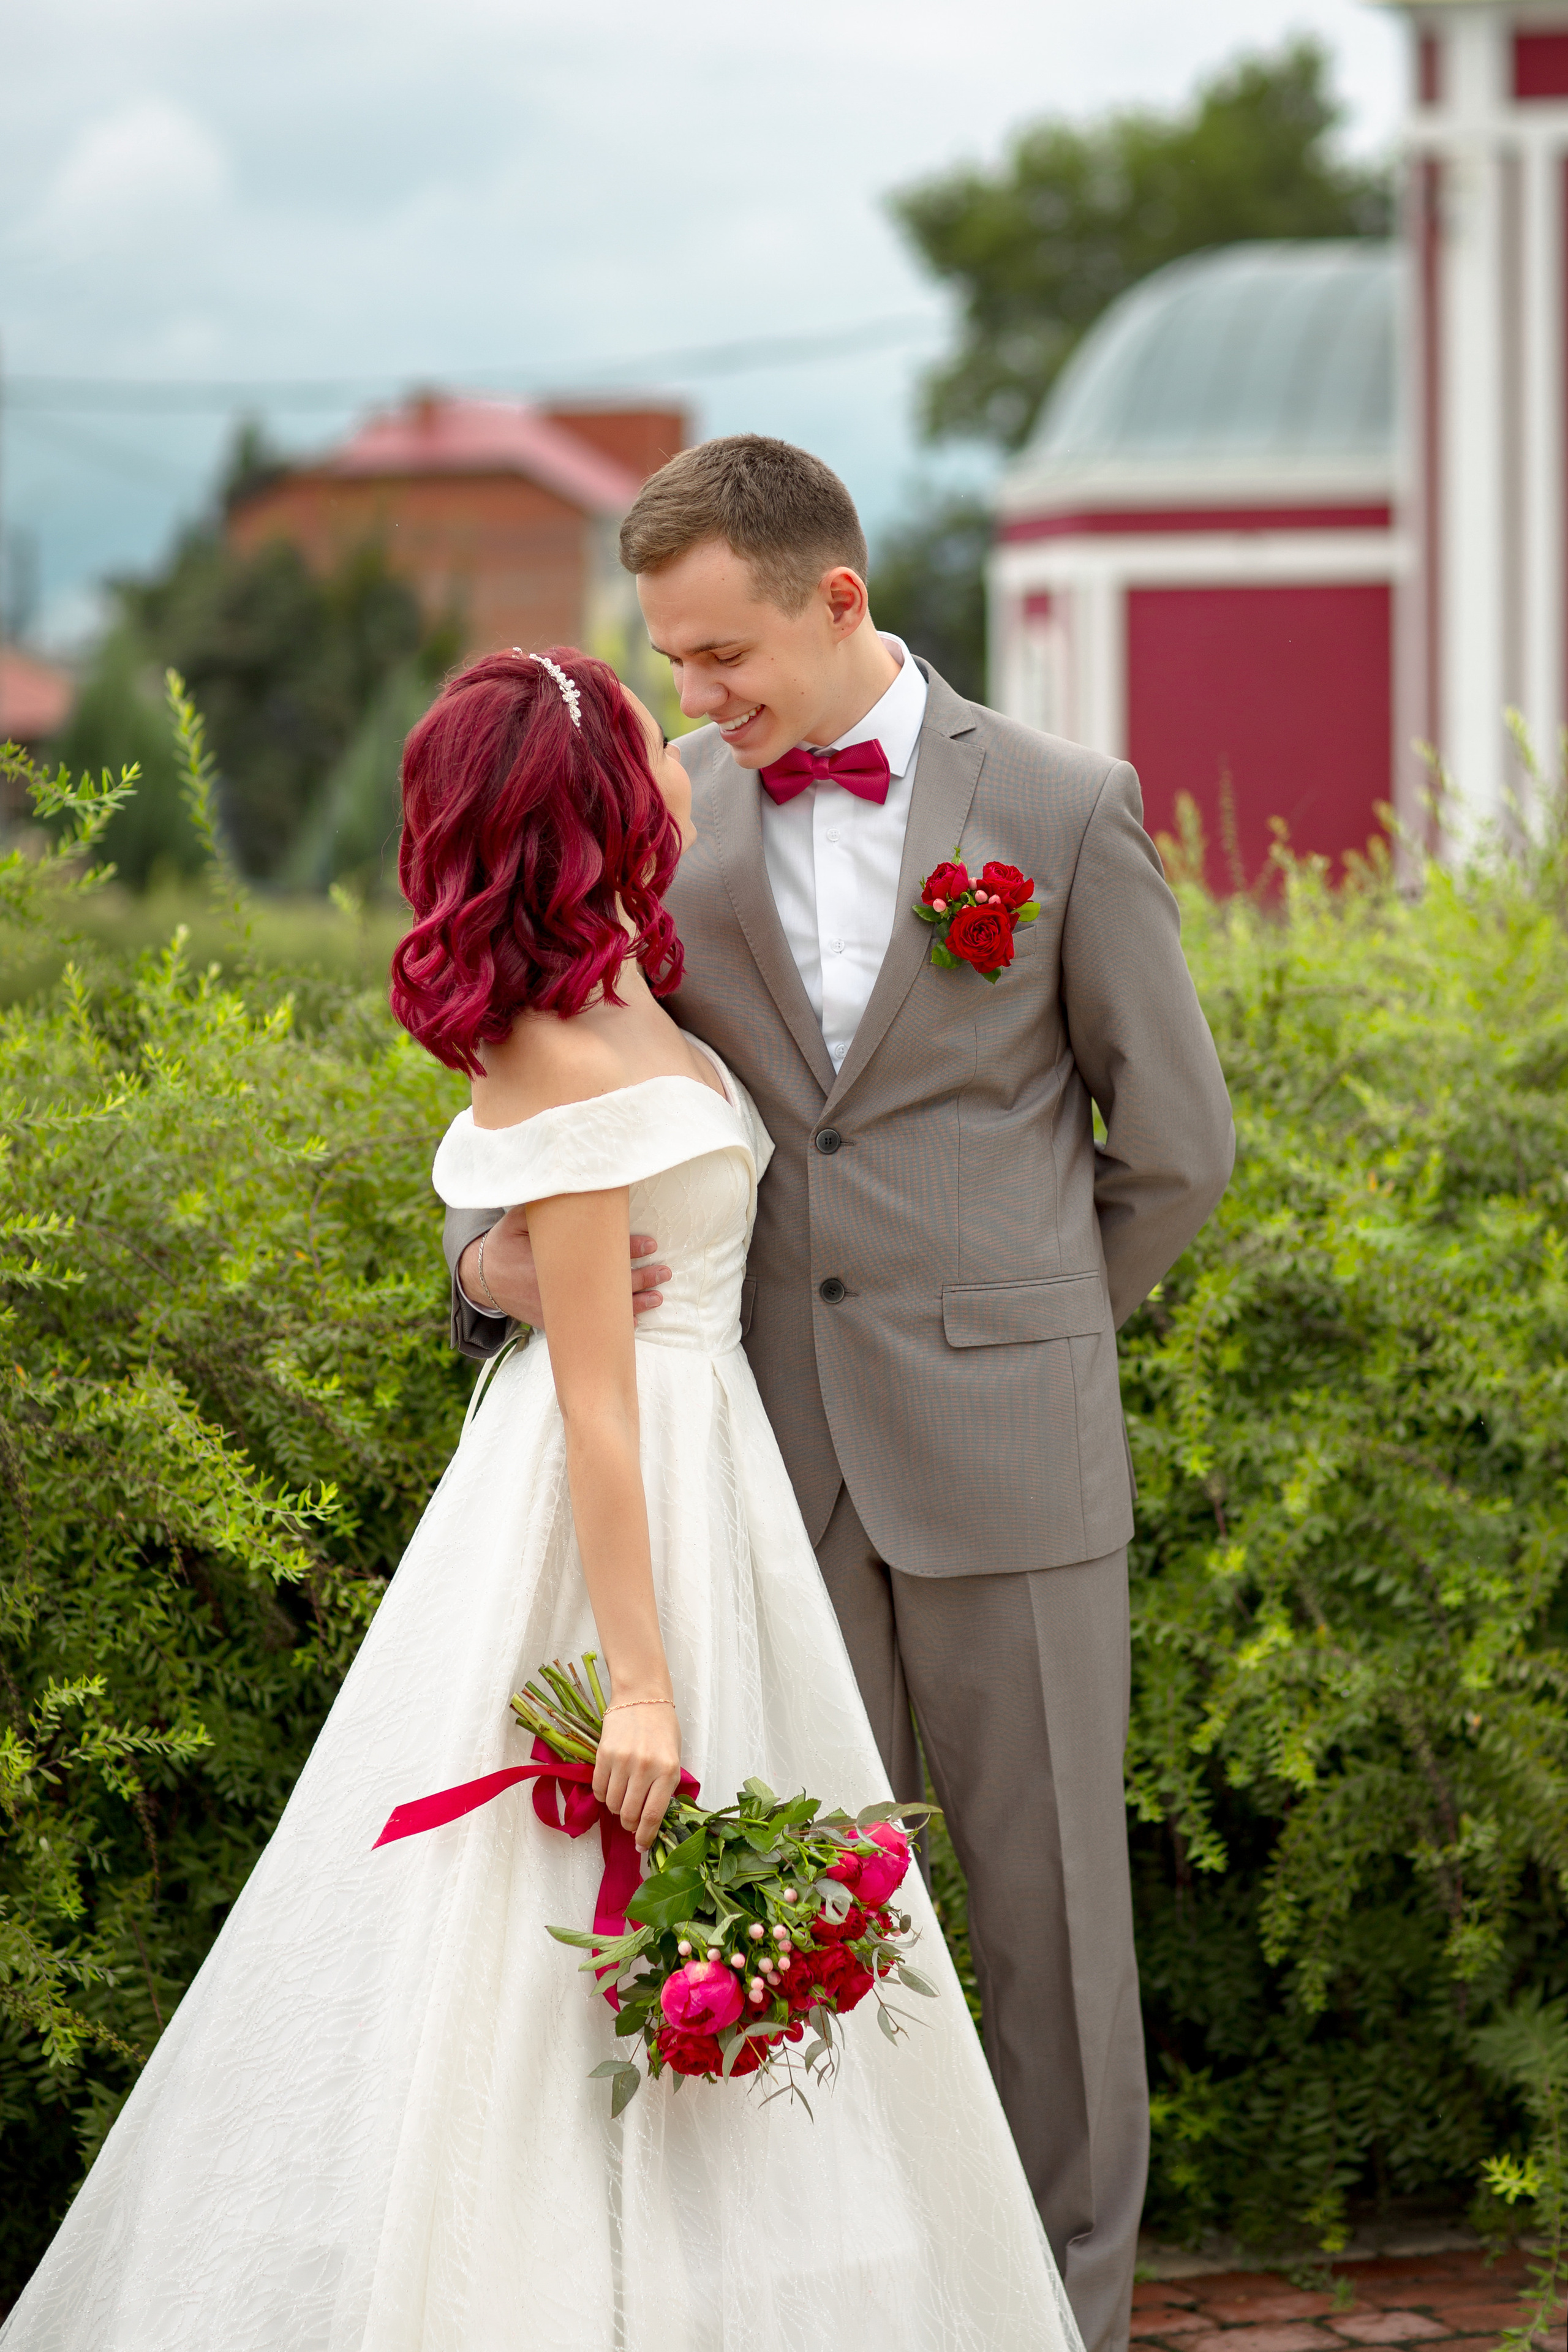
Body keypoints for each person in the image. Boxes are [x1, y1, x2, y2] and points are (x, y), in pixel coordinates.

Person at [1, 646, 1082, 2352]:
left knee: (729, 1911)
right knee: (547, 1940)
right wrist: (639, 1684)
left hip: (707, 1471)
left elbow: (550, 1267)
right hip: (623, 1502)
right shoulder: (568, 1057)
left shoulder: (631, 987)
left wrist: (494, 1265)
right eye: (655, 740)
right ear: (589, 805)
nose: (681, 760)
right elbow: (592, 1401)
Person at [447, 437, 1235, 2352]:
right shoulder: (662, 827)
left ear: (839, 602)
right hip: (757, 1478)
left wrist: (1031, 1332)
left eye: (721, 655)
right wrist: (483, 1280)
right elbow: (551, 1108)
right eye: (671, 662)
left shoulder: (1056, 808)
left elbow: (1180, 1146)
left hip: (1009, 1466)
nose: (695, 699)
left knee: (1050, 1935)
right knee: (796, 1916)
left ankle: (1071, 2318)